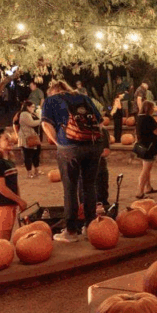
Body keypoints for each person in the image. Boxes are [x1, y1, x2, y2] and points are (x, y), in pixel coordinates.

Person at [41, 80, 104, 243]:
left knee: (70, 187)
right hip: (93, 146)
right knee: (89, 186)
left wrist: (59, 143)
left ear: (53, 90)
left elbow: (46, 125)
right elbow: (100, 122)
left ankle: (71, 231)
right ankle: (90, 227)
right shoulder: (84, 98)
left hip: (70, 148)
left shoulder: (51, 100)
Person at [0, 127, 27, 240]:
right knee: (2, 242)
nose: (10, 141)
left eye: (10, 139)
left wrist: (17, 201)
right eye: (6, 139)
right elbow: (1, 188)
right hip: (1, 205)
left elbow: (14, 184)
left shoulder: (9, 162)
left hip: (10, 204)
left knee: (7, 240)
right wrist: (20, 200)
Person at [133, 100, 157, 198]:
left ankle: (148, 187)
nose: (153, 109)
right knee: (145, 170)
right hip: (149, 147)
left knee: (147, 168)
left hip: (143, 146)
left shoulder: (139, 117)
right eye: (152, 108)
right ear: (148, 108)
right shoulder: (148, 118)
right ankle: (139, 192)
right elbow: (156, 132)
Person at [15, 101, 42, 178]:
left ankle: (36, 170)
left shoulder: (31, 113)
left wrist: (38, 114)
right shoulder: (24, 114)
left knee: (36, 154)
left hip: (34, 136)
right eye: (32, 107)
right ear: (27, 107)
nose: (33, 108)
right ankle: (29, 172)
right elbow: (32, 123)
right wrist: (40, 120)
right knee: (28, 155)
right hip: (26, 137)